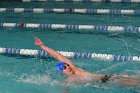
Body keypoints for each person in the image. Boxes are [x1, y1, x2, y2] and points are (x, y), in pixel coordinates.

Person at [34, 36, 140, 87]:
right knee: (134, 83)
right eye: (64, 68)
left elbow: (58, 56)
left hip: (107, 77)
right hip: (104, 82)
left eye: (67, 65)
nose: (68, 67)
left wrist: (43, 46)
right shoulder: (69, 80)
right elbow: (65, 89)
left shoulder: (75, 69)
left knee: (133, 78)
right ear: (62, 72)